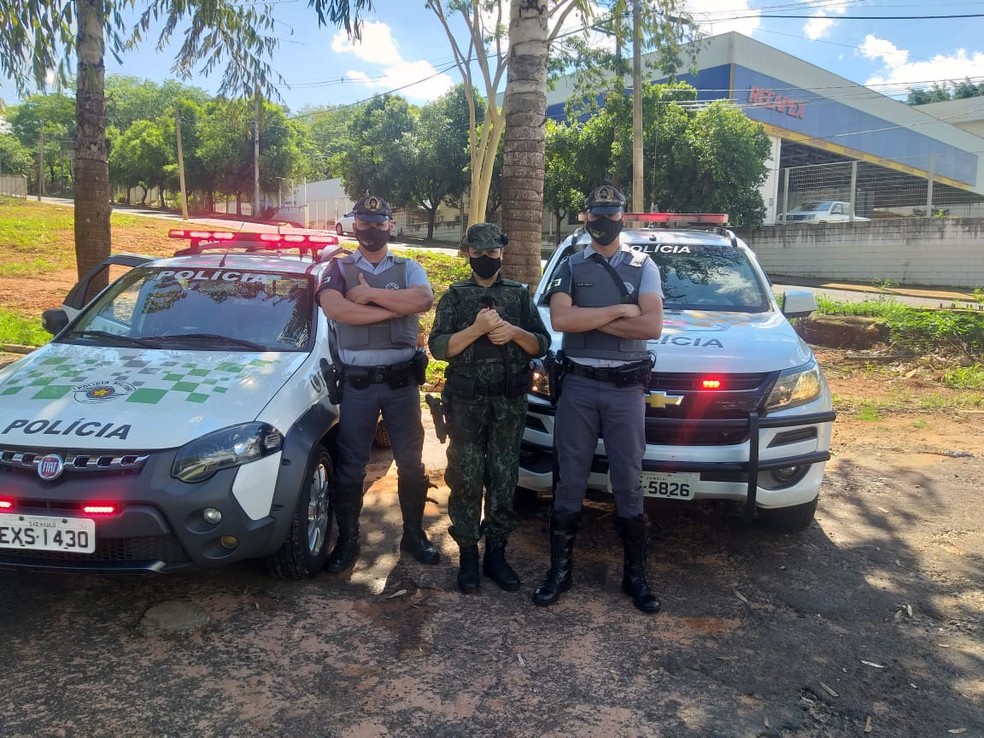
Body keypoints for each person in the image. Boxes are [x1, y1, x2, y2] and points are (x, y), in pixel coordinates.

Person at [531, 185, 665, 614]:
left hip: (626, 390)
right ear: (585, 219)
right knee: (569, 478)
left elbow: (651, 328)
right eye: (595, 214)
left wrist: (592, 322)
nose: (603, 221)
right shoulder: (570, 266)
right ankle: (559, 572)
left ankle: (635, 576)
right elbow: (562, 319)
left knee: (628, 480)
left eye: (611, 214)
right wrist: (620, 311)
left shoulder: (645, 266)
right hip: (580, 387)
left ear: (621, 218)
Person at [318, 194, 439, 571]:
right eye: (365, 222)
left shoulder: (409, 268)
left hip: (402, 384)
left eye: (379, 222)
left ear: (391, 225)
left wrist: (368, 297)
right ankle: (349, 541)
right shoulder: (336, 268)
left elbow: (423, 300)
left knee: (411, 464)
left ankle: (415, 536)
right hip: (357, 386)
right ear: (355, 226)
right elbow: (335, 309)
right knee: (351, 464)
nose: (372, 229)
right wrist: (390, 310)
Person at [429, 223, 550, 593]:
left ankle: (496, 553)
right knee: (465, 479)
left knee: (502, 479)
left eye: (491, 252)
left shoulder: (517, 295)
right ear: (467, 253)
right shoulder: (454, 296)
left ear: (502, 253)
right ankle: (468, 554)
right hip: (466, 403)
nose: (485, 259)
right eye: (477, 252)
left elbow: (541, 344)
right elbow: (438, 348)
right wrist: (477, 329)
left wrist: (513, 332)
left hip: (508, 404)